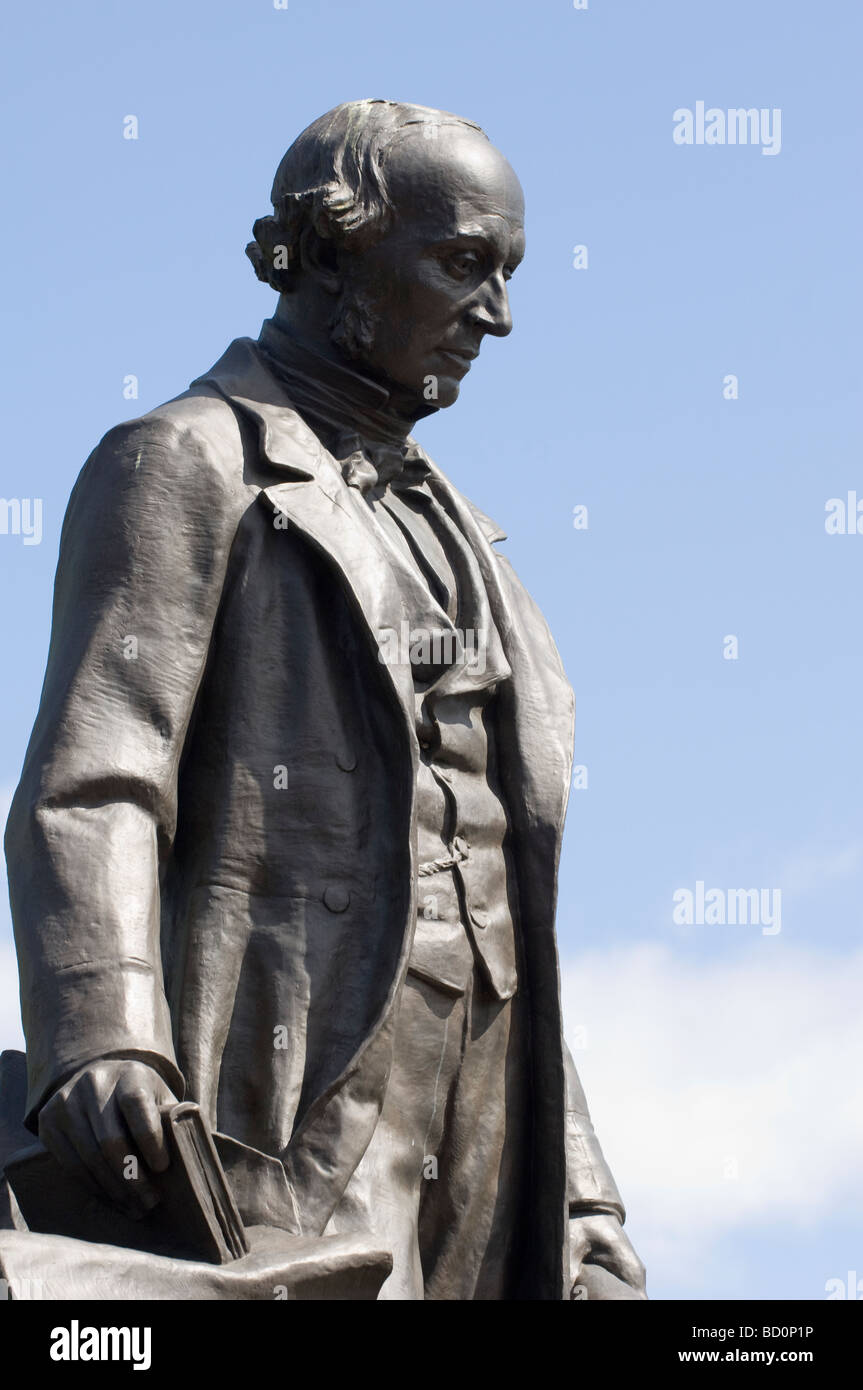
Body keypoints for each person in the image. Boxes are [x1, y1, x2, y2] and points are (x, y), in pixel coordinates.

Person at [5, 99, 646, 1300]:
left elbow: (508, 897)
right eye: (462, 264)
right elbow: (98, 781)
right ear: (338, 244)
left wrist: (578, 1190)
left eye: (506, 274)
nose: (495, 316)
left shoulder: (475, 545)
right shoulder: (185, 461)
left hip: (487, 1111)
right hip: (284, 1084)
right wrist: (103, 1031)